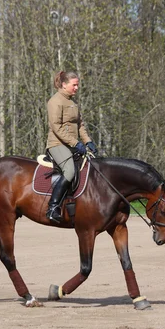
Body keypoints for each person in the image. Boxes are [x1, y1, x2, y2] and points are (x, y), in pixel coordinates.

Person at [45, 71, 98, 223]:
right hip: (57, 144)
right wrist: (76, 143)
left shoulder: (73, 103)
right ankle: (53, 207)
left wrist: (88, 141)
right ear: (64, 84)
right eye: (74, 85)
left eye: (77, 84)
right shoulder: (55, 101)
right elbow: (56, 128)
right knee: (69, 171)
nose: (77, 87)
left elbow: (80, 125)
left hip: (73, 145)